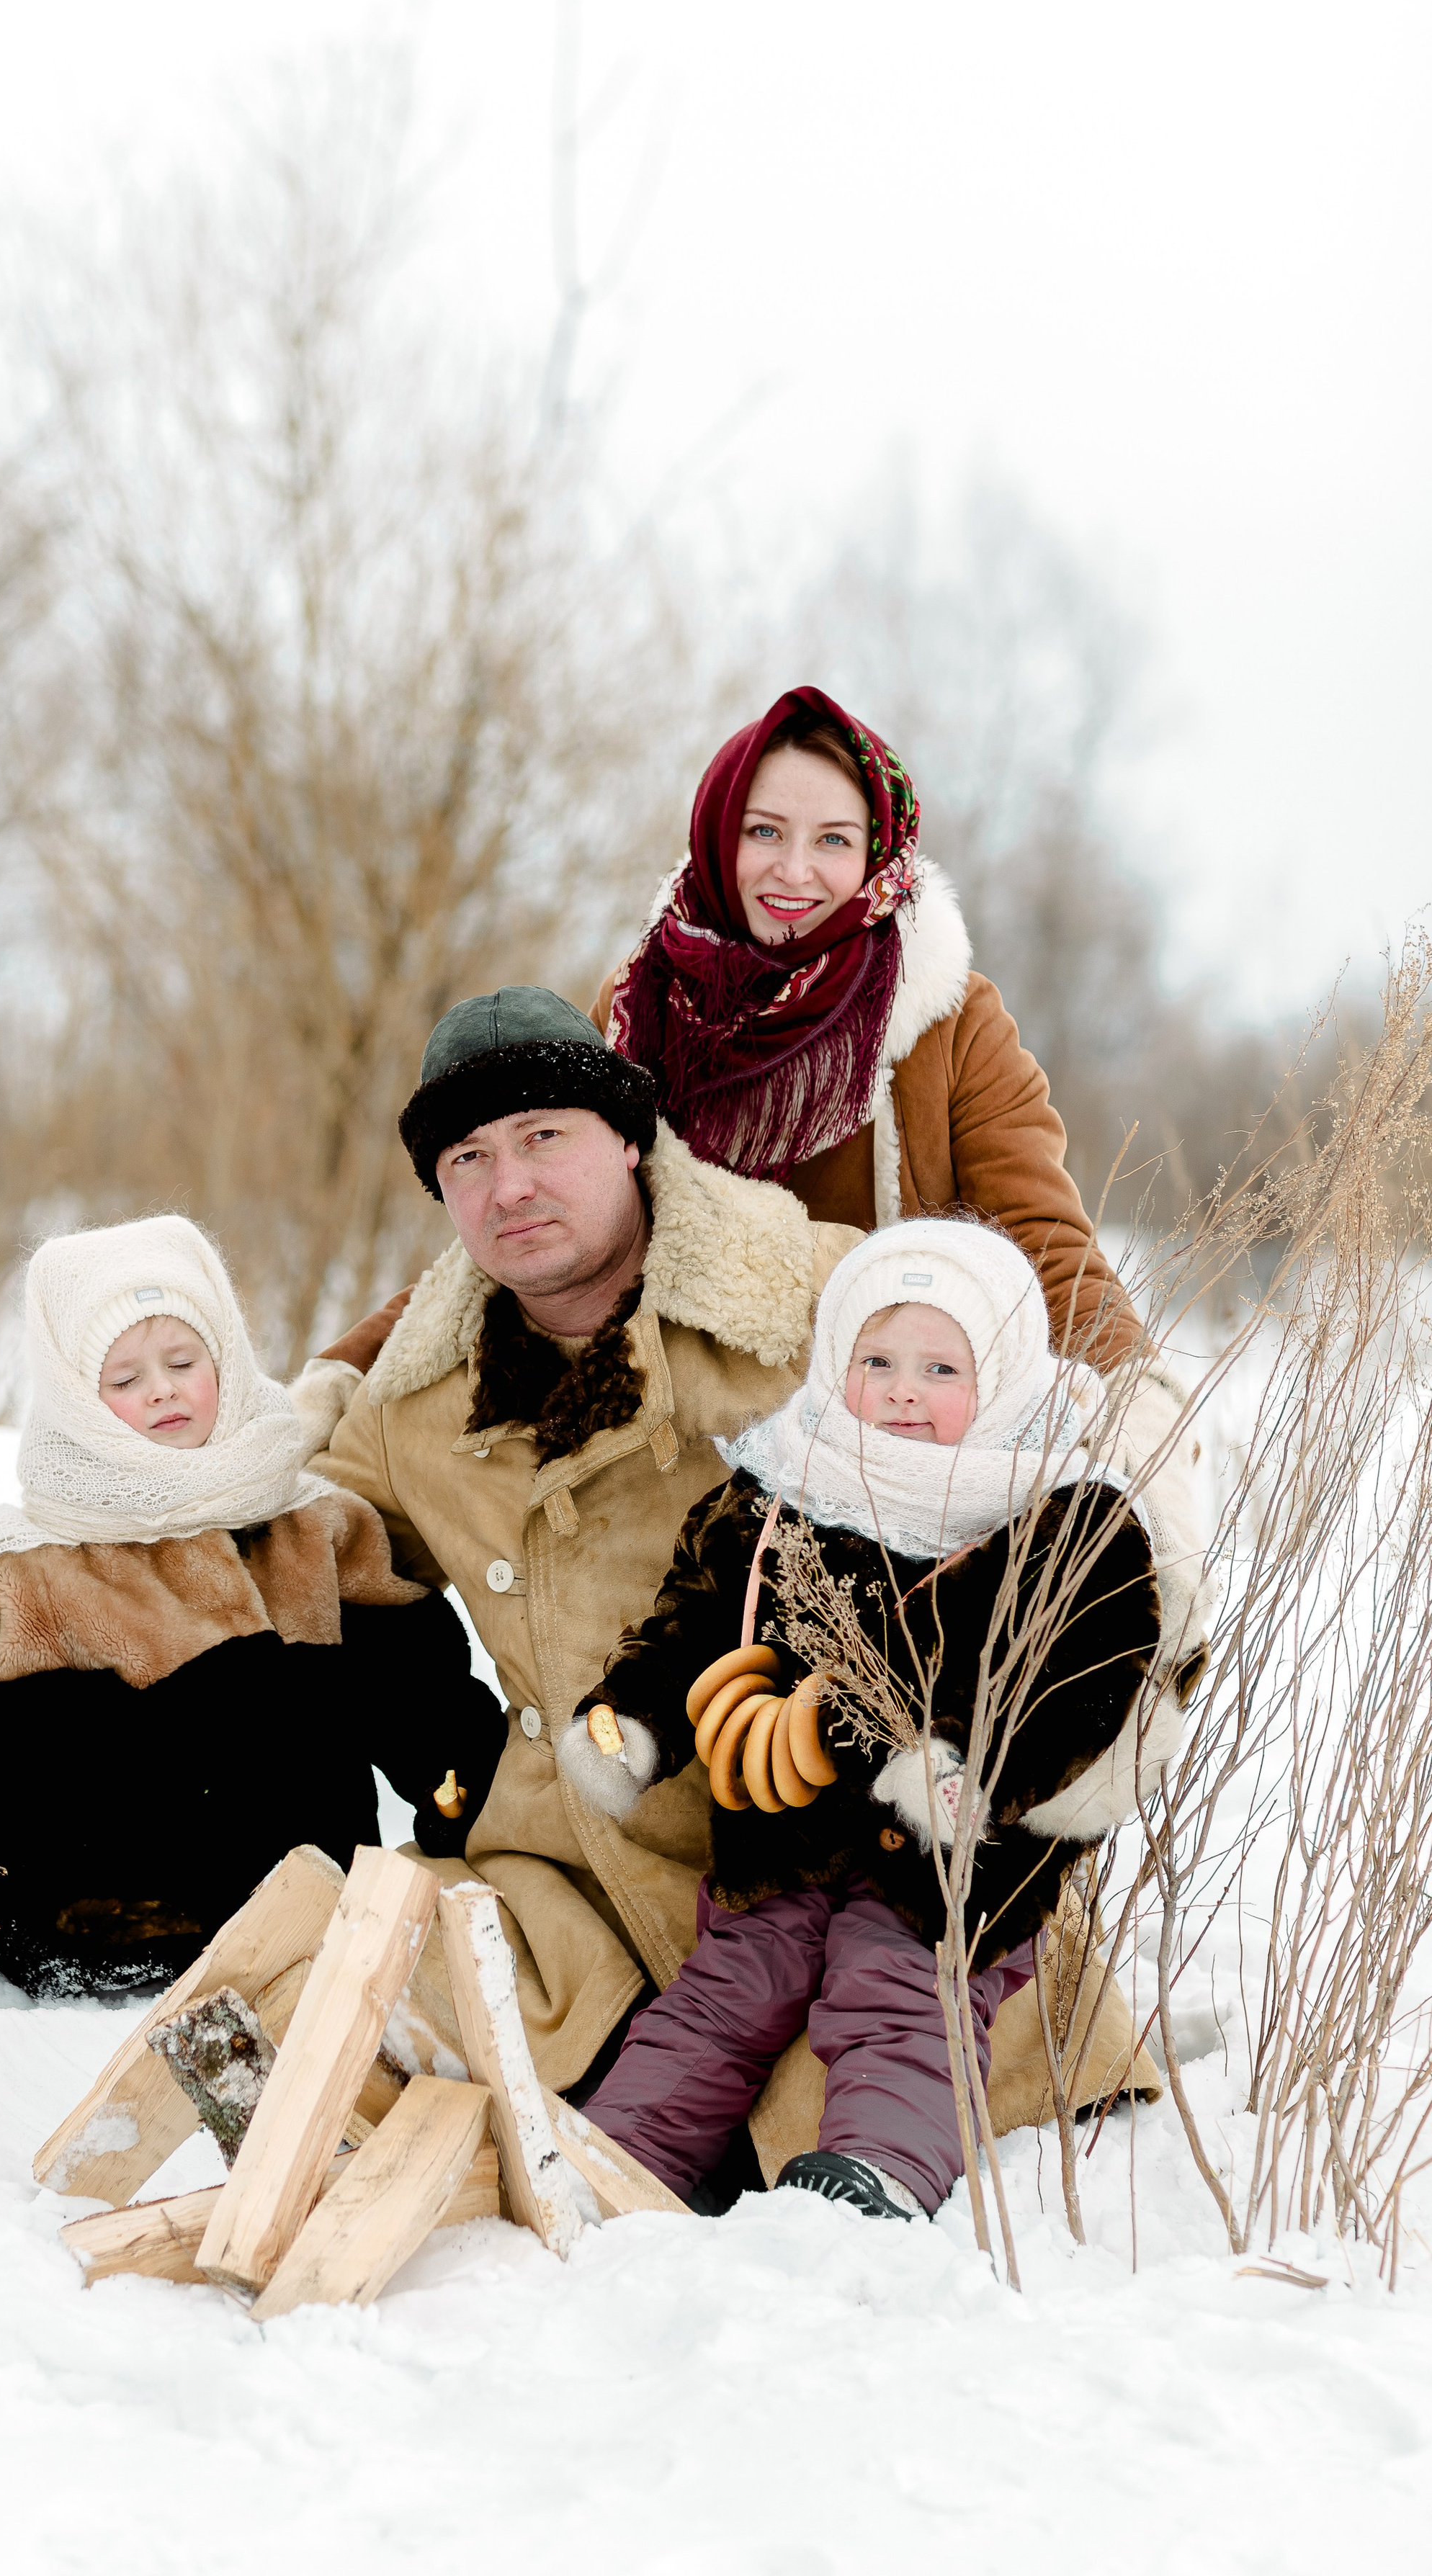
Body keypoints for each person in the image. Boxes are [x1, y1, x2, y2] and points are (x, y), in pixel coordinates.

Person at [311, 987, 1161, 2194]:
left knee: (884, 2054)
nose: (511, 1186)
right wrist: (452, 1760)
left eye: (545, 1136)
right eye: (469, 1159)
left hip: (893, 1854)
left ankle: (872, 2163)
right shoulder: (411, 1406)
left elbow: (1030, 1425)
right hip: (591, 1876)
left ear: (628, 1137)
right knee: (344, 1993)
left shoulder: (821, 1297)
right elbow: (314, 1555)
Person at [556, 1218, 1209, 2216]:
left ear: (1003, 1378)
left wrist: (971, 1766)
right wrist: (631, 1717)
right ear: (835, 1364)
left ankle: (880, 2173)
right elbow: (694, 1623)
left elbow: (1084, 1673)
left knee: (902, 1985)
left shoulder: (1060, 1514)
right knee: (726, 1990)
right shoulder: (780, 1494)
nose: (904, 1391)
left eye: (942, 1368)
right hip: (783, 1823)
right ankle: (612, 2161)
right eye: (877, 1362)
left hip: (952, 1851)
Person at [0, 1214, 503, 2011]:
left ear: (224, 1359)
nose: (161, 1388)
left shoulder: (309, 1526)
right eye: (124, 1380)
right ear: (77, 1407)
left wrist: (474, 1806)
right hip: (105, 1929)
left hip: (306, 1913)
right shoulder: (43, 1562)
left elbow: (414, 1688)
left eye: (183, 1362)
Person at [594, 684, 1142, 1369]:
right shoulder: (636, 1008)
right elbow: (562, 1229)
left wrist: (1136, 1399)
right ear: (715, 832)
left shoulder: (952, 1021)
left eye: (833, 840)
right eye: (763, 831)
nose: (795, 870)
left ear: (876, 854)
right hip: (679, 1412)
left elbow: (1046, 1247)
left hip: (881, 1415)